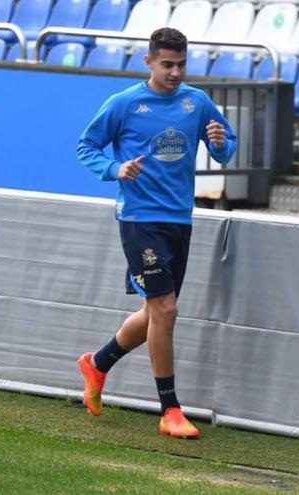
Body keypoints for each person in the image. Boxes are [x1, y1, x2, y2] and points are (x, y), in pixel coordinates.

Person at [76, 27, 236, 439]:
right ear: (148, 63)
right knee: (165, 310)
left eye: (182, 64)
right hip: (139, 219)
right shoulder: (126, 104)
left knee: (153, 314)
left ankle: (98, 364)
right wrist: (115, 169)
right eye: (168, 64)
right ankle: (170, 409)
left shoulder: (196, 102)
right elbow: (87, 146)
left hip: (179, 220)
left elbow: (224, 146)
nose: (176, 72)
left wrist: (219, 144)